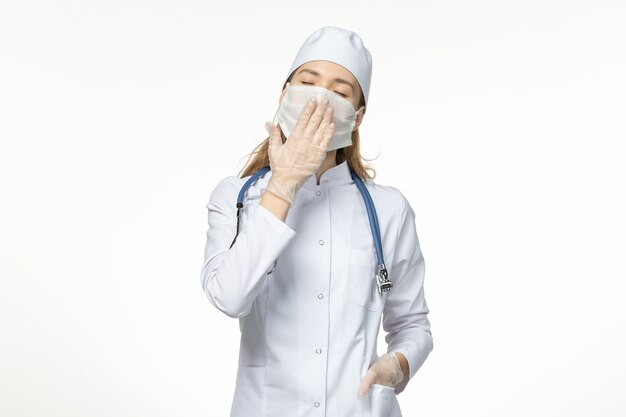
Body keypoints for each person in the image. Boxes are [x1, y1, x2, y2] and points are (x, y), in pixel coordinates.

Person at [200, 26, 433, 417]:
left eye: (341, 91)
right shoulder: (237, 197)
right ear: (284, 94)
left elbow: (413, 325)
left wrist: (398, 365)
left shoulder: (388, 209)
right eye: (309, 82)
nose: (322, 98)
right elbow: (230, 296)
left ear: (357, 117)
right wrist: (285, 182)